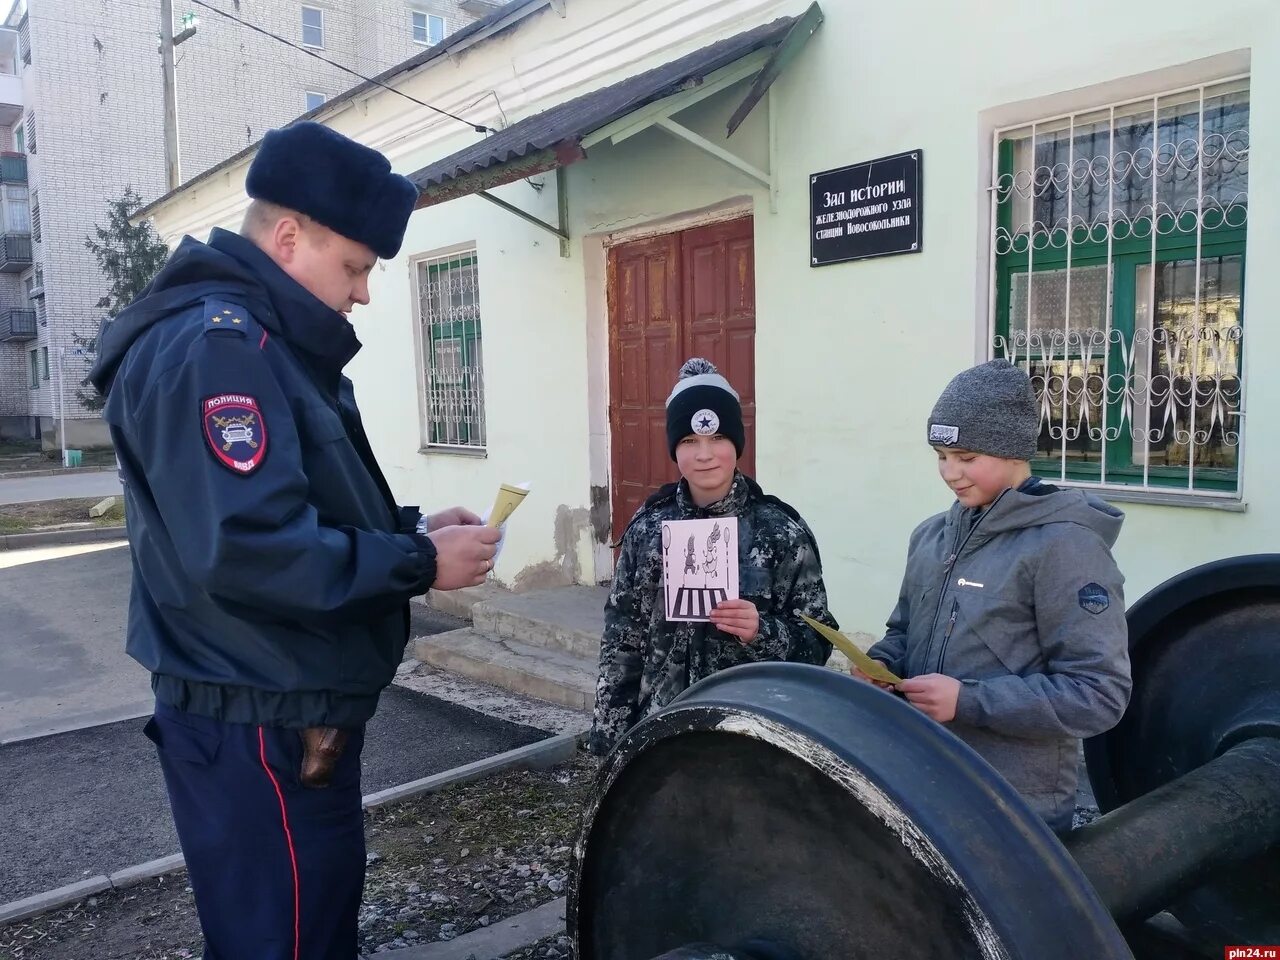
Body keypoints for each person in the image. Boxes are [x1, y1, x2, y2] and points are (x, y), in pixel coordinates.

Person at [88, 122, 500, 959]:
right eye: (355, 267)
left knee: (296, 933)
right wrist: (418, 563)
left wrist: (406, 528)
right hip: (260, 726)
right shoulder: (222, 351)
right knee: (285, 944)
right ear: (287, 238)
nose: (363, 294)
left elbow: (284, 508)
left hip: (270, 712)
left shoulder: (260, 343)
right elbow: (248, 546)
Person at [856, 359, 1131, 832]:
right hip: (922, 782)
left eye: (966, 457)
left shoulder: (1065, 546)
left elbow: (1098, 693)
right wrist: (881, 667)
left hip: (1012, 808)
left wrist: (969, 701)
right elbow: (903, 630)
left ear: (1014, 452)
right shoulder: (931, 537)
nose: (950, 472)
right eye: (941, 455)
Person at [588, 358, 837, 756]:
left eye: (717, 438)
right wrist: (609, 743)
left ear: (736, 442)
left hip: (749, 740)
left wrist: (763, 632)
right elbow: (622, 641)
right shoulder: (648, 530)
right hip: (661, 737)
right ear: (673, 448)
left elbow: (819, 643)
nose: (704, 454)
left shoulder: (781, 532)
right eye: (689, 441)